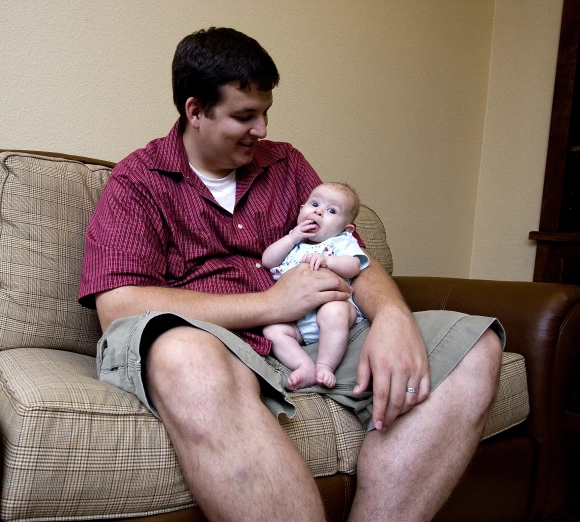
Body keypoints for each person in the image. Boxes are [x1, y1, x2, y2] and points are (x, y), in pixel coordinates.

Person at [80, 26, 504, 522]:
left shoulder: (287, 164)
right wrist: (270, 305)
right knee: (183, 352)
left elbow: (354, 257)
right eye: (244, 116)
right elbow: (118, 306)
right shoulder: (138, 180)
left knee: (476, 348)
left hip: (314, 337)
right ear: (195, 111)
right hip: (215, 345)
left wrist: (392, 315)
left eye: (265, 113)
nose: (261, 129)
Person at [262, 182, 369, 390]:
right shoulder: (293, 242)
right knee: (273, 329)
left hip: (334, 310)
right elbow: (268, 260)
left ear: (346, 229)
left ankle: (325, 365)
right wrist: (292, 237)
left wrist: (328, 262)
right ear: (302, 210)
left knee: (333, 311)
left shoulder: (340, 242)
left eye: (331, 211)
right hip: (298, 322)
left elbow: (355, 265)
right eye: (314, 204)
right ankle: (304, 365)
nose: (319, 212)